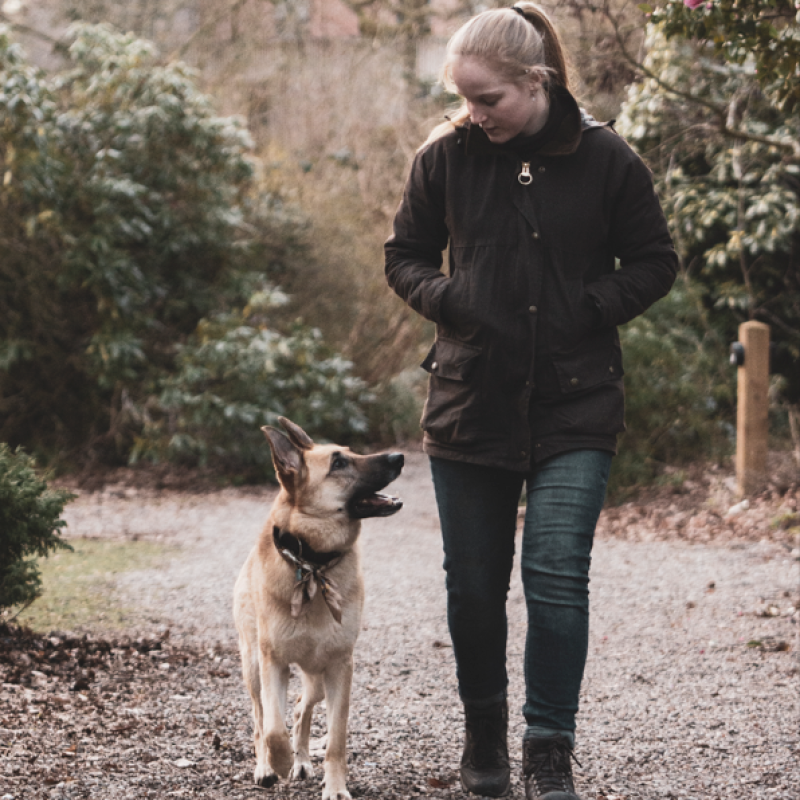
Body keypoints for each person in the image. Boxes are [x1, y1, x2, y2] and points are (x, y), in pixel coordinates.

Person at [384, 4, 678, 799]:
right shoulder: (444, 158)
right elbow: (403, 256)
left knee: (555, 577)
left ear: (535, 80)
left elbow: (654, 262)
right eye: (466, 99)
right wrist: (452, 299)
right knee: (474, 584)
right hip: (469, 402)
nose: (475, 115)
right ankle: (484, 743)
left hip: (576, 404)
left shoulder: (609, 159)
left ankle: (549, 748)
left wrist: (587, 308)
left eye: (489, 100)